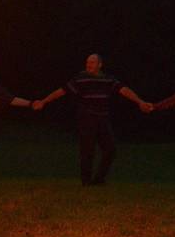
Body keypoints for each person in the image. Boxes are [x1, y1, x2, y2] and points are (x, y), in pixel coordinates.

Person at [34, 54, 150, 186]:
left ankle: (99, 179)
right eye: (88, 62)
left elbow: (123, 90)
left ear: (100, 65)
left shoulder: (108, 79)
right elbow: (62, 91)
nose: (89, 64)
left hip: (103, 118)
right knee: (87, 150)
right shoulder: (80, 78)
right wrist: (44, 101)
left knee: (110, 149)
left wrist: (140, 101)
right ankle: (86, 182)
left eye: (92, 62)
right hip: (86, 117)